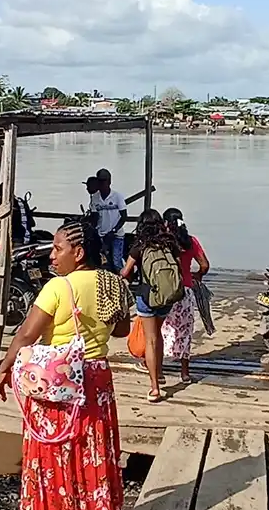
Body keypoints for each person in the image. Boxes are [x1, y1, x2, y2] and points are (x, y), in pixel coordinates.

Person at [0, 220, 128, 510]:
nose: (52, 256)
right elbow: (122, 330)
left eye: (57, 249)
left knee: (45, 458)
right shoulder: (112, 283)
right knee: (84, 457)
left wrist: (5, 367)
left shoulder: (57, 287)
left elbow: (26, 335)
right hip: (95, 380)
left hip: (57, 380)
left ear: (78, 253)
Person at [120, 209, 187, 403]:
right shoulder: (170, 243)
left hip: (147, 296)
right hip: (167, 297)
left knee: (150, 339)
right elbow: (178, 268)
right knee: (158, 335)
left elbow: (125, 272)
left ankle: (155, 387)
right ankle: (159, 372)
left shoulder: (140, 245)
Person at [161, 208, 208, 382]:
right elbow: (204, 265)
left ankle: (158, 368)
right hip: (186, 291)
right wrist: (197, 276)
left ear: (166, 223)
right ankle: (185, 372)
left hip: (166, 291)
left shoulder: (163, 242)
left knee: (161, 328)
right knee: (185, 330)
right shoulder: (191, 241)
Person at [85, 169, 125, 272]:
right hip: (102, 235)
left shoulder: (118, 197)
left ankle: (123, 280)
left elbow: (124, 217)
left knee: (117, 263)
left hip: (116, 235)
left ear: (109, 181)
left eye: (104, 181)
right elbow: (95, 217)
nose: (102, 183)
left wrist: (114, 230)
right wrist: (90, 228)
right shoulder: (95, 198)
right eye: (100, 181)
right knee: (106, 264)